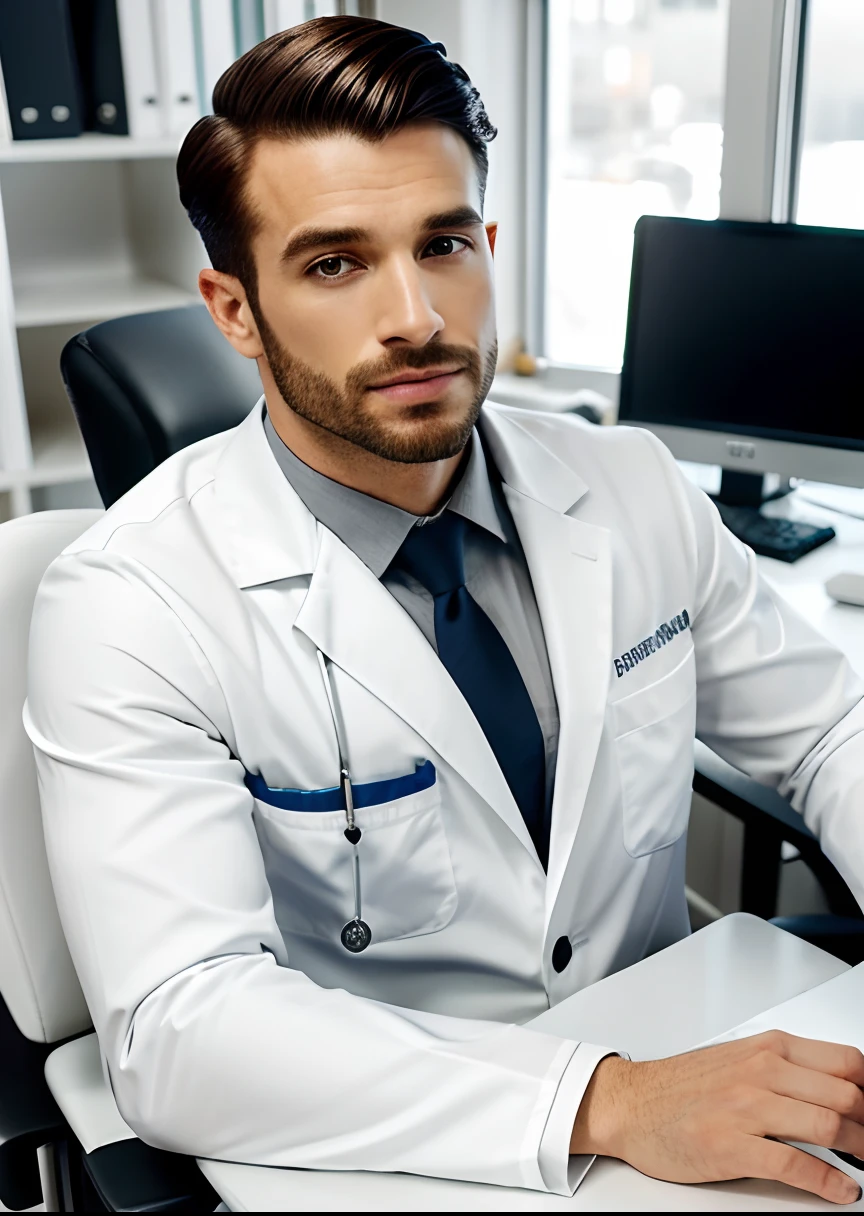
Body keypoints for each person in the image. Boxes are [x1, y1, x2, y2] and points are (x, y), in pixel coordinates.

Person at [25, 15, 864, 1205]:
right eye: (334, 262)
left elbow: (832, 730)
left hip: (681, 1096)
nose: (416, 315)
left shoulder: (627, 488)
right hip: (389, 1148)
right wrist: (607, 1098)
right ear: (233, 309)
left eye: (444, 242)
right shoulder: (129, 602)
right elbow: (179, 1023)